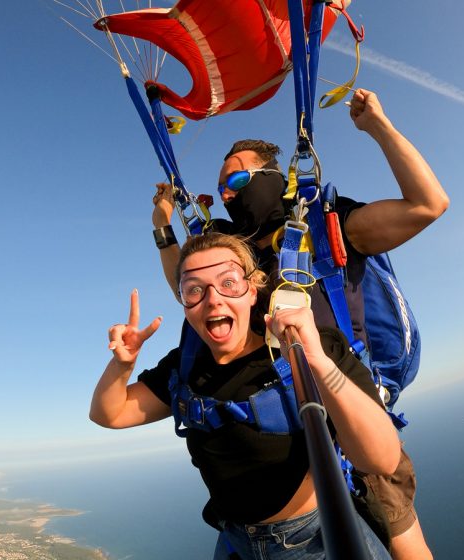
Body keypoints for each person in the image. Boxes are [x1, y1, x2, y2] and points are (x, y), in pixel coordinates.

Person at [150, 89, 447, 559]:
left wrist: (379, 128)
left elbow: (427, 205)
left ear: (273, 175)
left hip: (346, 404)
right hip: (280, 423)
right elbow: (185, 287)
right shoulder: (234, 257)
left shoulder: (327, 228)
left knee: (402, 536)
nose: (228, 192)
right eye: (223, 185)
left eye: (239, 178)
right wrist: (163, 226)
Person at [91, 233, 400, 559]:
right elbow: (109, 413)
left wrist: (318, 364)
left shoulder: (305, 349)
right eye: (194, 289)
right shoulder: (183, 368)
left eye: (228, 282)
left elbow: (382, 459)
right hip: (234, 540)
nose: (213, 299)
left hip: (313, 540)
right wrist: (121, 365)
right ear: (185, 305)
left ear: (252, 290)